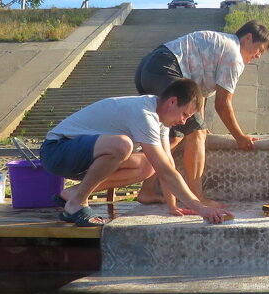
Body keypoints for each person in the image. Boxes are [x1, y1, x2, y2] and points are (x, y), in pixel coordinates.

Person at [40, 78, 232, 225]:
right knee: (122, 145)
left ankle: (73, 194)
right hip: (57, 150)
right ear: (172, 101)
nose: (183, 122)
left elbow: (167, 166)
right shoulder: (143, 113)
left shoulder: (160, 120)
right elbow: (166, 170)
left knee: (148, 166)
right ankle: (77, 203)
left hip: (82, 155)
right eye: (184, 114)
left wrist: (173, 205)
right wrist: (200, 208)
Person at [134, 21, 269, 207]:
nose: (258, 55)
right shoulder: (233, 55)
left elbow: (197, 95)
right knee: (196, 133)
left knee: (173, 137)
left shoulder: (222, 44)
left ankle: (147, 190)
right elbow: (223, 104)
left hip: (149, 68)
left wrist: (200, 122)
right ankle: (197, 198)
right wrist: (239, 137)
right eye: (260, 49)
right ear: (248, 38)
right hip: (165, 68)